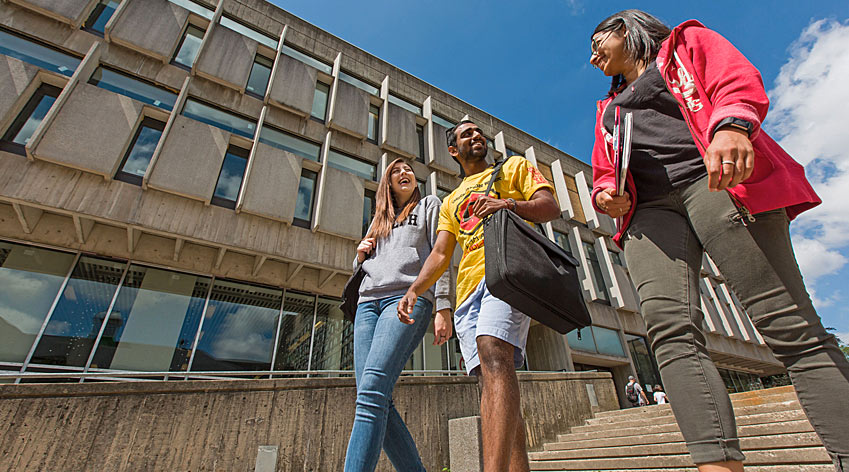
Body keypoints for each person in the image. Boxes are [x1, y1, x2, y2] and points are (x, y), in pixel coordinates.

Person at [587, 9, 849, 472]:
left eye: (597, 42)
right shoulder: (608, 109)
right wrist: (606, 193)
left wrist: (731, 125)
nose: (592, 56)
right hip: (649, 213)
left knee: (789, 327)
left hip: (717, 182)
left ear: (627, 29)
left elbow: (734, 81)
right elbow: (604, 170)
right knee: (669, 333)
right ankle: (715, 462)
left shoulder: (685, 45)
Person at [397, 120, 560, 472]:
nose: (475, 136)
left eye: (477, 131)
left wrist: (509, 206)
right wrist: (415, 288)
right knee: (492, 378)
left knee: (493, 350)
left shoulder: (513, 168)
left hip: (509, 275)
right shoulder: (451, 201)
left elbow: (549, 207)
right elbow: (441, 254)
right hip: (469, 291)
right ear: (453, 150)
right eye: (465, 134)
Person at [343, 158, 453, 472]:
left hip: (406, 298)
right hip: (367, 304)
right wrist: (360, 255)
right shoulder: (379, 220)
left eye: (407, 169)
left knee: (372, 394)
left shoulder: (430, 205)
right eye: (396, 171)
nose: (404, 172)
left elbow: (441, 253)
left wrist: (443, 306)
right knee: (373, 397)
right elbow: (363, 269)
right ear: (388, 184)